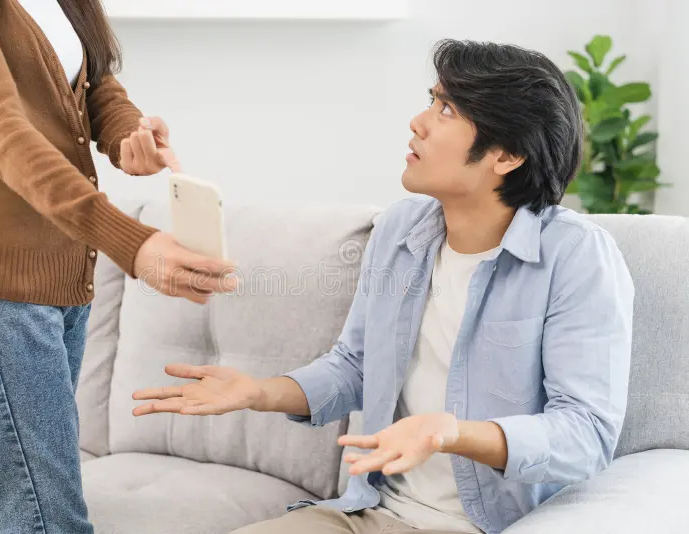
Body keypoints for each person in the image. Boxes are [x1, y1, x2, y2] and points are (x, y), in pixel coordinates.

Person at [132, 39, 635, 534]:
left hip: (490, 524)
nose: (419, 121)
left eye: (447, 109)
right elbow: (356, 366)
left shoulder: (574, 257)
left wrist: (449, 433)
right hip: (371, 510)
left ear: (505, 156)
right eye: (431, 100)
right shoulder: (401, 231)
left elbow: (585, 435)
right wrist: (258, 393)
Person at [0, 0, 236, 532]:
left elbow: (92, 82)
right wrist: (133, 244)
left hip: (58, 284)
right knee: (49, 519)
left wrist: (126, 137)